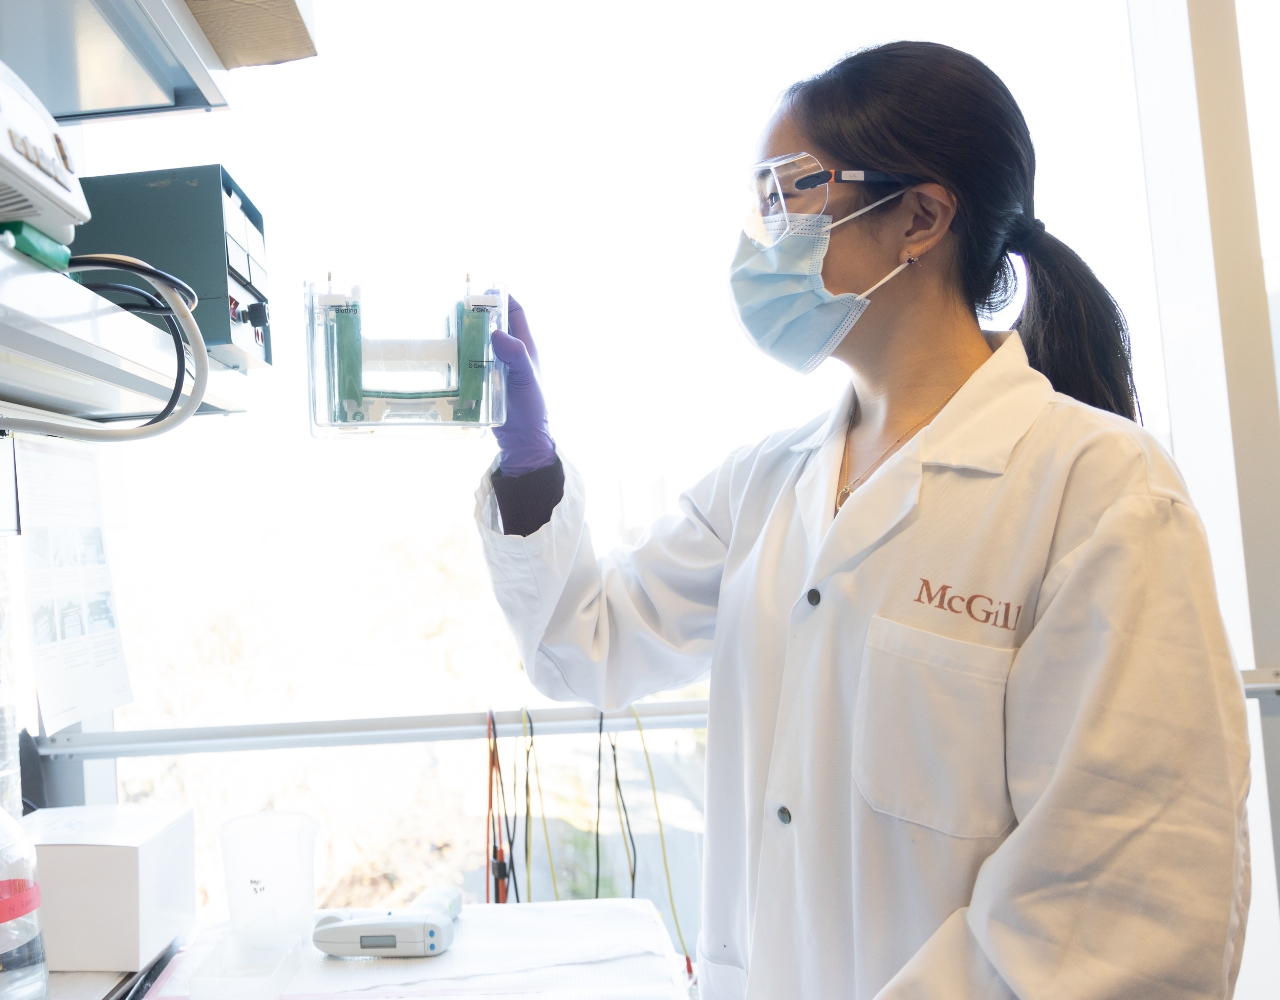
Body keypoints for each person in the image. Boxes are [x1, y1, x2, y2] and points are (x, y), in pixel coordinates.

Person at [475, 41, 1251, 1000]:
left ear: (920, 217)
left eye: (789, 192)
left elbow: (1118, 911)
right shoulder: (765, 484)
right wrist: (529, 471)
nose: (761, 237)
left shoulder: (1100, 494)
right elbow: (585, 646)